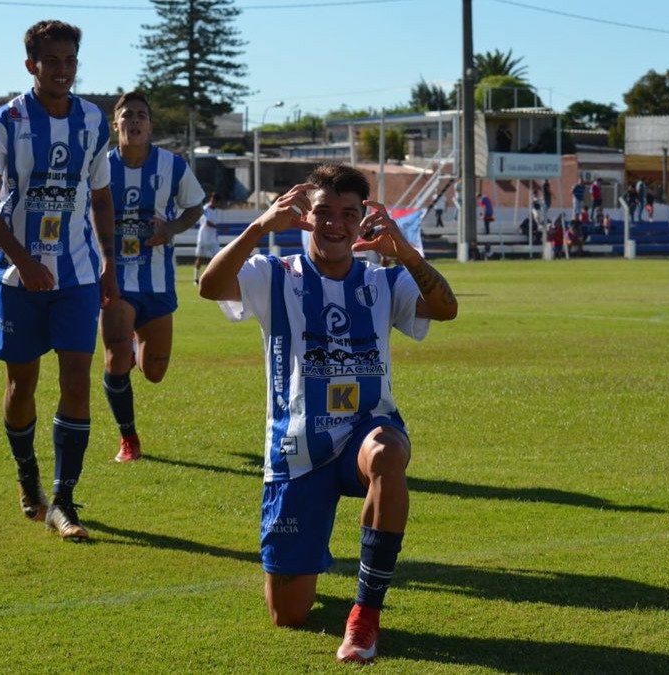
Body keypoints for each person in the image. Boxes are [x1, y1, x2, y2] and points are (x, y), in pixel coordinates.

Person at [197, 163, 458, 664]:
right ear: (304, 216)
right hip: (297, 450)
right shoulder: (274, 274)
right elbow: (210, 287)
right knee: (288, 614)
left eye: (348, 213)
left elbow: (445, 308)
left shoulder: (383, 281)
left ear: (363, 220)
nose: (334, 223)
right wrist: (258, 228)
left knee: (388, 453)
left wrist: (404, 250)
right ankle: (318, 565)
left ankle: (365, 614)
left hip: (366, 430)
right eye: (324, 212)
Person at [0, 19, 117, 542]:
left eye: (70, 60)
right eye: (51, 61)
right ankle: (27, 476)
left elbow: (100, 198)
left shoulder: (95, 121)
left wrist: (108, 262)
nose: (62, 70)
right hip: (17, 278)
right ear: (30, 64)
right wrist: (24, 261)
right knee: (21, 383)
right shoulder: (4, 121)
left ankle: (64, 498)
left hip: (76, 273)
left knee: (77, 379)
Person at [101, 91, 205, 462]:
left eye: (141, 114)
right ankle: (128, 439)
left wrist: (172, 228)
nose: (134, 120)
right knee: (114, 356)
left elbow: (195, 205)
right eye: (126, 115)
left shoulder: (172, 166)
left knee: (155, 372)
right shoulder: (98, 165)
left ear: (150, 125)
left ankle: (134, 346)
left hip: (158, 280)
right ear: (115, 125)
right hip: (114, 277)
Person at [194, 192, 221, 285]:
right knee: (200, 258)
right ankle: (196, 278)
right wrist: (218, 228)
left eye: (215, 201)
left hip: (213, 238)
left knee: (217, 258)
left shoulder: (216, 210)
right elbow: (207, 223)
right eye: (212, 200)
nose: (213, 202)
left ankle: (213, 277)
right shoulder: (205, 209)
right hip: (203, 238)